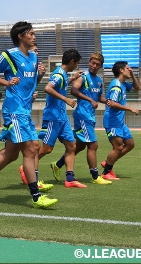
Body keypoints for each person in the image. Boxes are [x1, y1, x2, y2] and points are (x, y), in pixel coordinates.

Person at [0, 21, 58, 209]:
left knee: (11, 154)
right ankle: (36, 197)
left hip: (25, 110)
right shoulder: (9, 55)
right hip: (14, 110)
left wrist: (41, 75)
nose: (34, 37)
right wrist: (6, 82)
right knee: (30, 150)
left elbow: (31, 83)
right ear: (21, 36)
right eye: (31, 33)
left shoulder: (34, 57)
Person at [50, 52, 111, 185]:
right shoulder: (83, 77)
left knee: (79, 146)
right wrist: (90, 100)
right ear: (89, 62)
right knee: (93, 145)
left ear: (101, 66)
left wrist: (107, 101)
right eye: (93, 63)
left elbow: (99, 97)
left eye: (98, 64)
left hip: (90, 116)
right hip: (82, 115)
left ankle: (58, 164)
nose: (94, 66)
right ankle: (95, 176)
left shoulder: (99, 81)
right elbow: (74, 90)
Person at [36, 49, 88, 188]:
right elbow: (48, 88)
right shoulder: (58, 74)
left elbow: (62, 84)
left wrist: (73, 77)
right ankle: (27, 168)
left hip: (62, 117)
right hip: (53, 117)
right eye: (76, 64)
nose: (76, 66)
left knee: (71, 146)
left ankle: (70, 179)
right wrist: (66, 99)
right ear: (72, 61)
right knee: (47, 149)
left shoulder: (63, 74)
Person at [101, 60, 140, 180]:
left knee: (130, 144)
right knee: (117, 147)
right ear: (121, 70)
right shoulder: (117, 86)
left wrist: (133, 75)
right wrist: (129, 108)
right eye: (128, 68)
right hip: (112, 121)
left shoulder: (123, 84)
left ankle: (108, 163)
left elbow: (136, 88)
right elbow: (111, 103)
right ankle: (106, 172)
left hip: (119, 122)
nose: (130, 70)